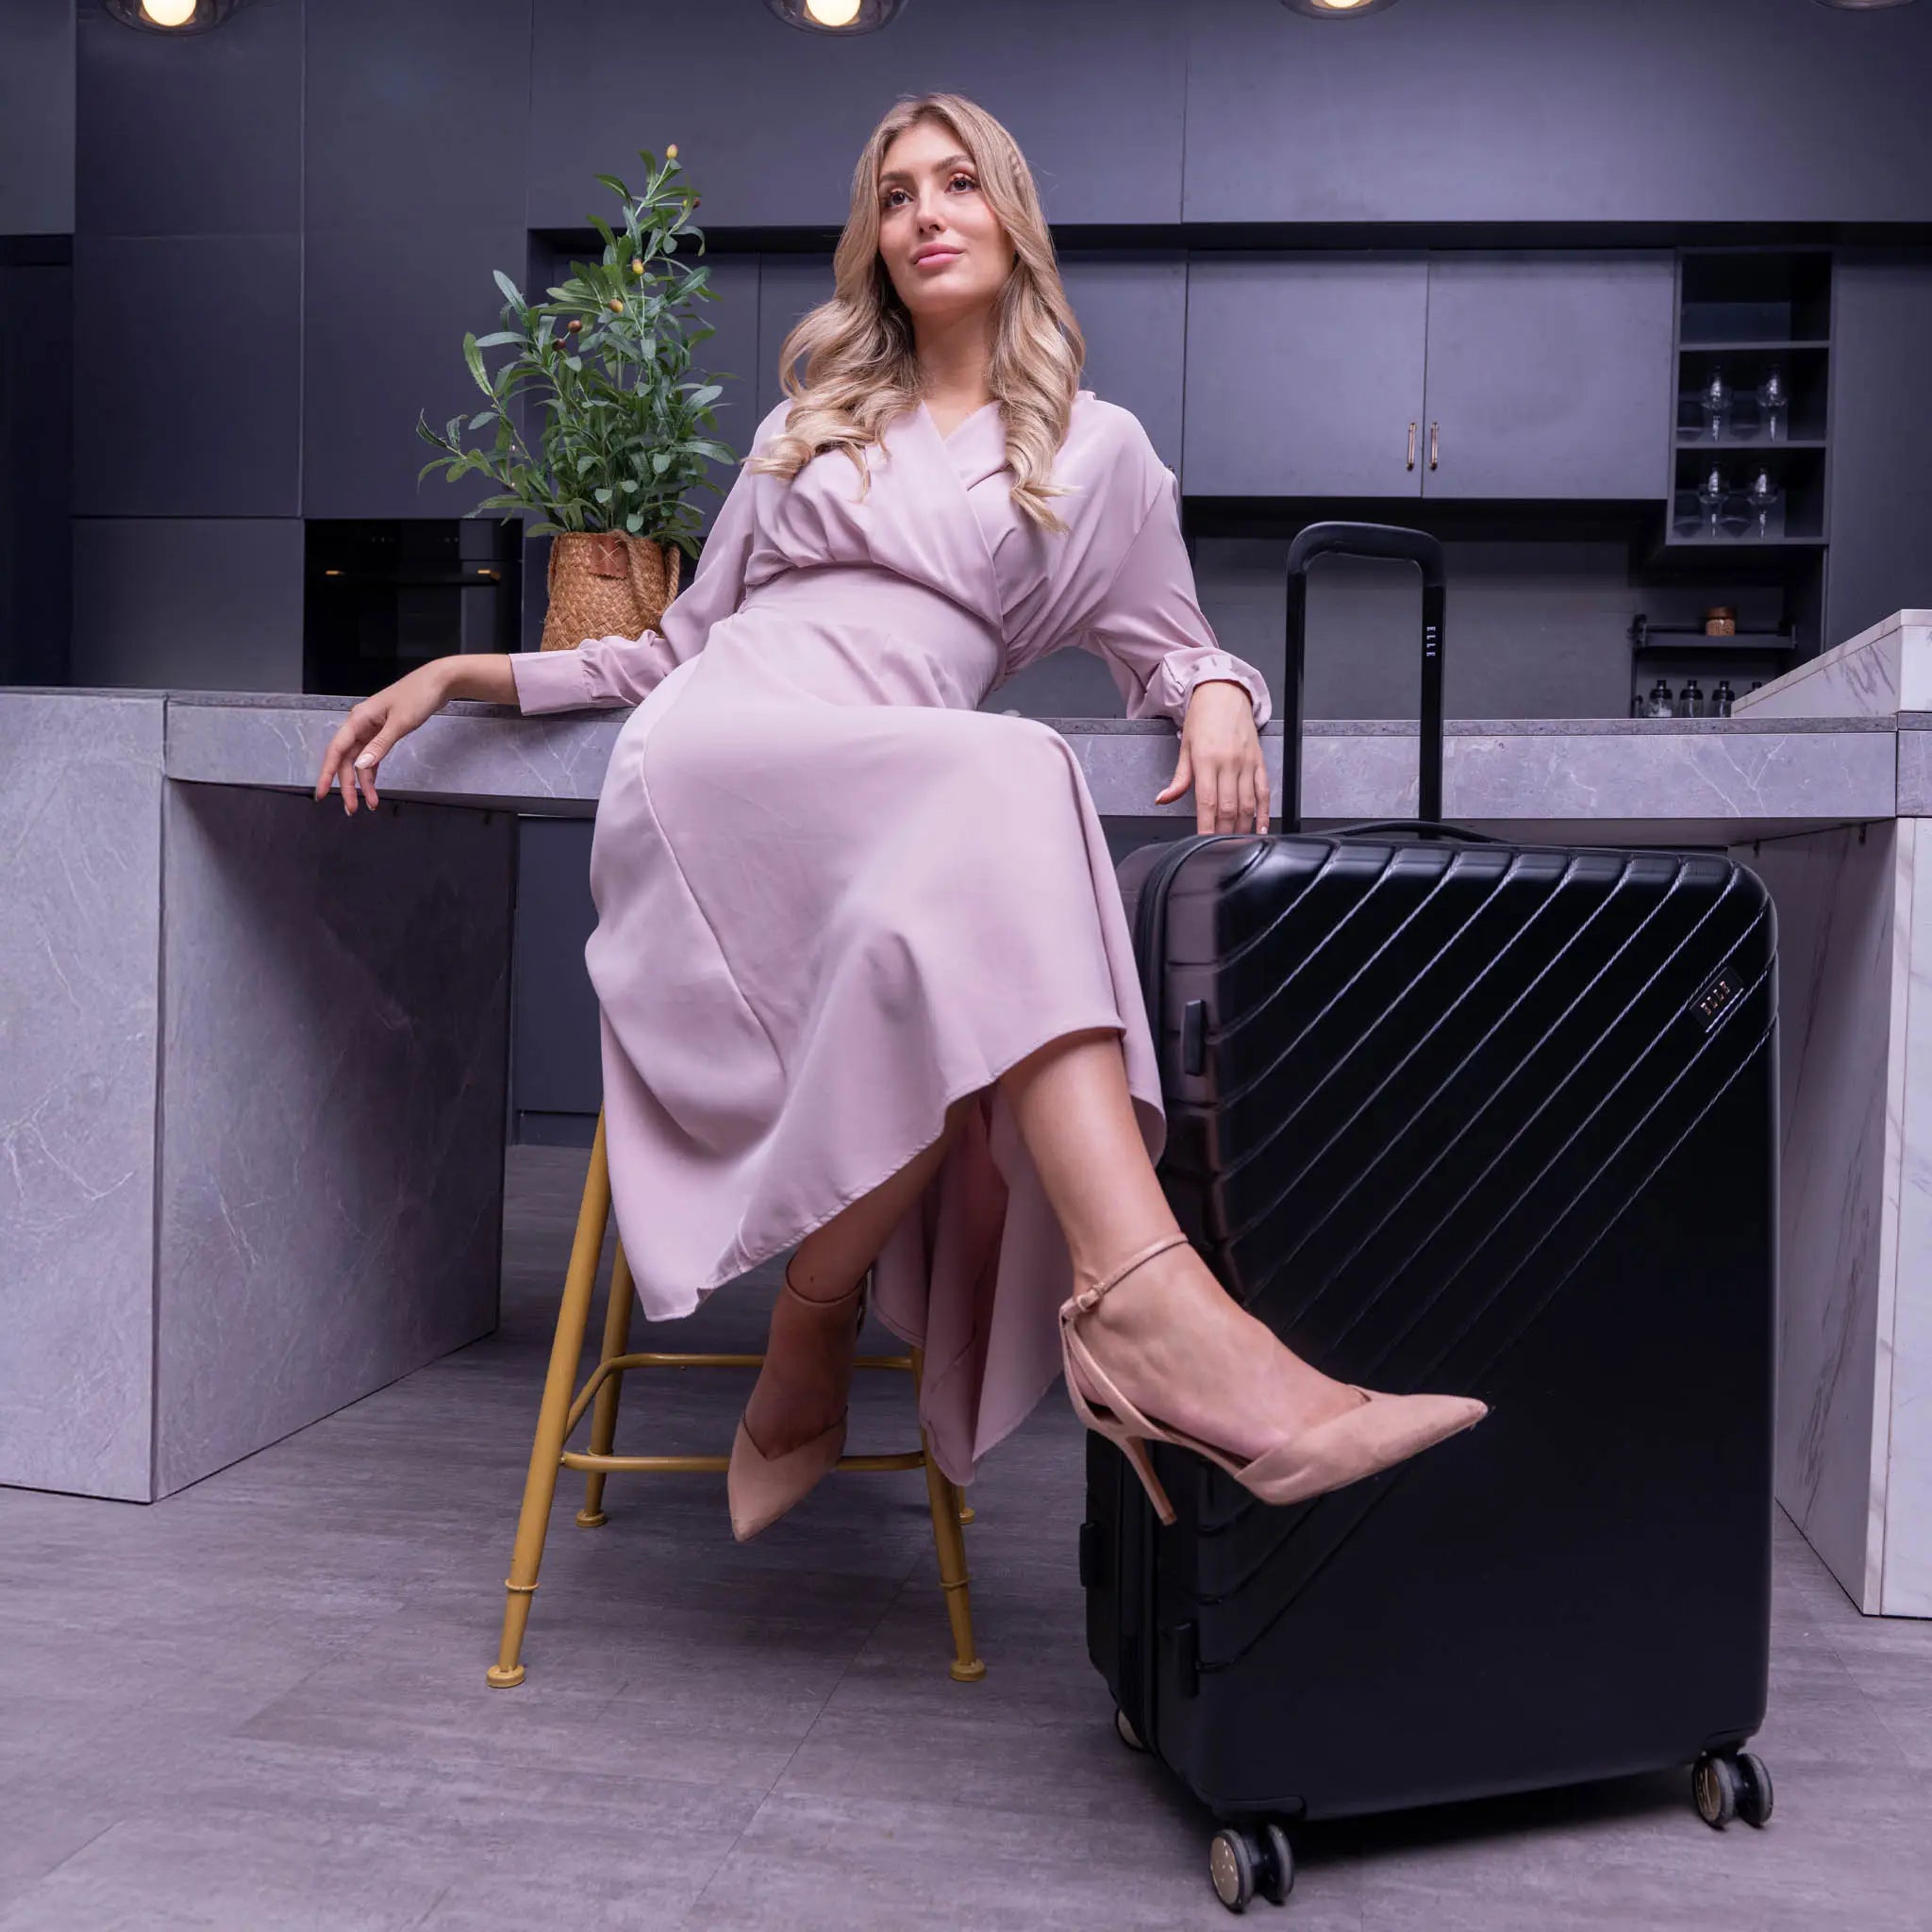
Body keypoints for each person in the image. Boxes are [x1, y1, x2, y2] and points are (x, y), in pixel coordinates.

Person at [313, 92, 1483, 1544]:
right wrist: (462, 666)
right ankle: (1153, 1312)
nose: (926, 213)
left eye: (957, 184)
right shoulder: (807, 422)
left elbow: (1172, 640)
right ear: (873, 240)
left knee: (946, 959)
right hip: (722, 763)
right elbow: (669, 654)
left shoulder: (1096, 452)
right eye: (895, 194)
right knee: (1011, 775)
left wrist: (1221, 692)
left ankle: (836, 1326)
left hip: (902, 789)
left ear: (1011, 217)